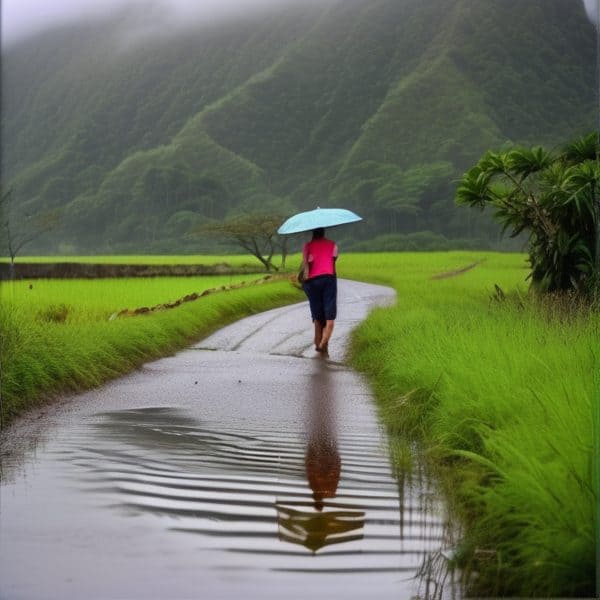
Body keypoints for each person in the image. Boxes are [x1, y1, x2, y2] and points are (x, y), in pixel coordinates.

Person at [301, 228, 338, 354]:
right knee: (329, 314)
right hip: (329, 279)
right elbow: (334, 260)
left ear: (313, 233)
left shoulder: (307, 246)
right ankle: (323, 343)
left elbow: (305, 265)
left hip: (312, 281)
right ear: (323, 232)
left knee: (317, 315)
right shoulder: (332, 244)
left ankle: (318, 343)